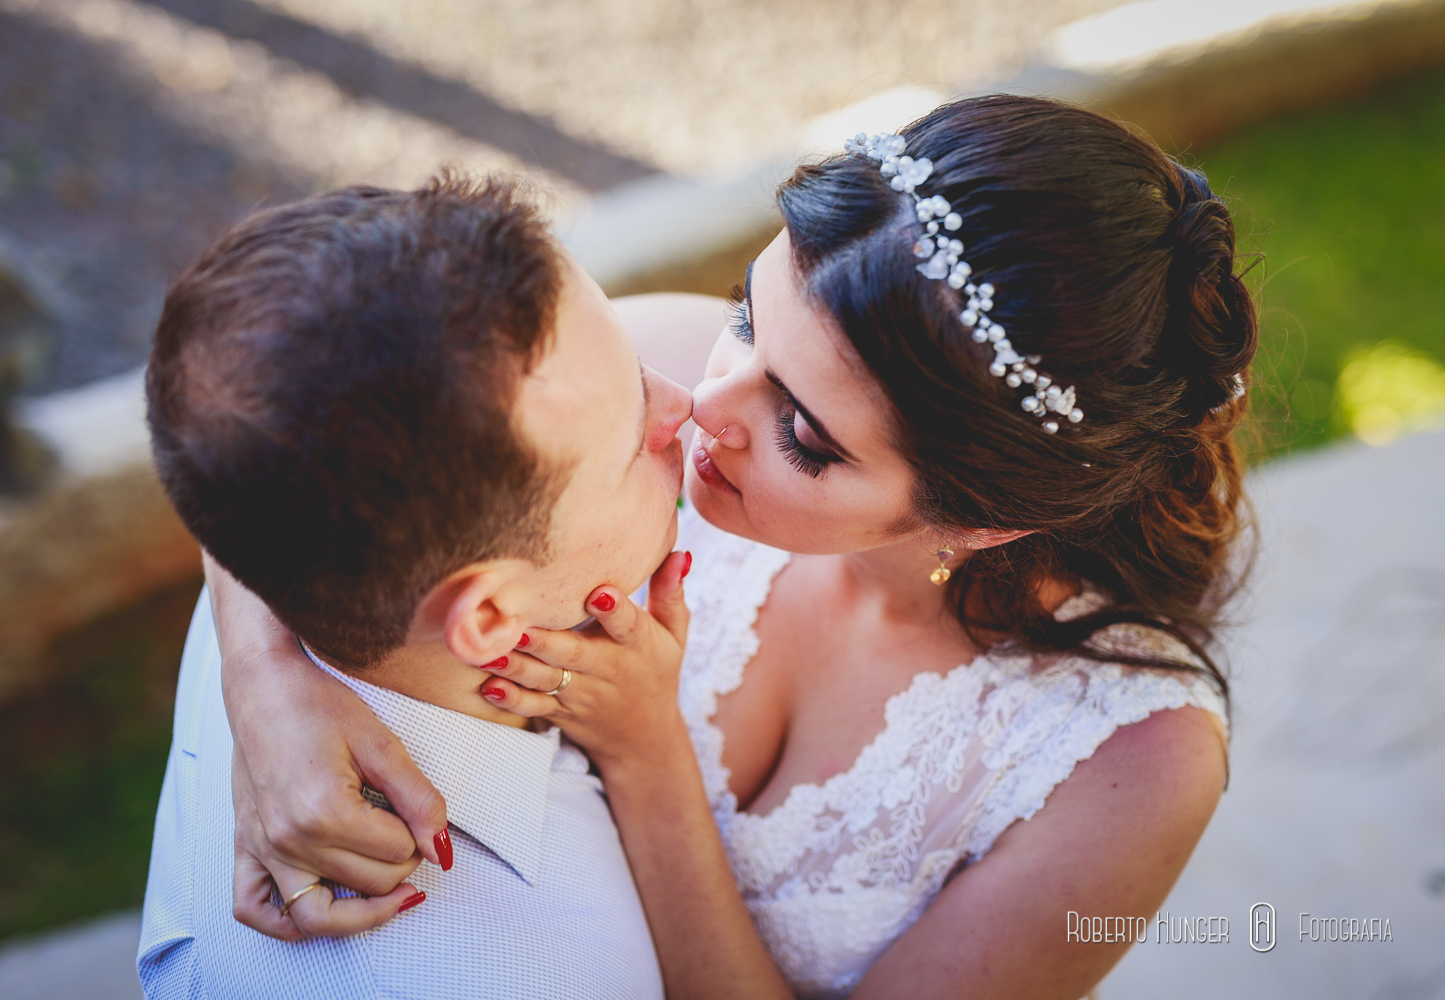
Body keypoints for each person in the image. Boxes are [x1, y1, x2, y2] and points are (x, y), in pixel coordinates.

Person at [211, 95, 1255, 999]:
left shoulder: (1133, 765)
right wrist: (267, 690)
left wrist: (648, 753)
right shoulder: (654, 363)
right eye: (751, 317)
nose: (699, 408)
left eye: (804, 435)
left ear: (980, 520)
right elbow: (287, 415)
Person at [136, 174, 696, 999]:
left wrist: (257, 664)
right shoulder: (555, 975)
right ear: (491, 616)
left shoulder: (278, 555)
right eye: (630, 447)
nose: (680, 405)